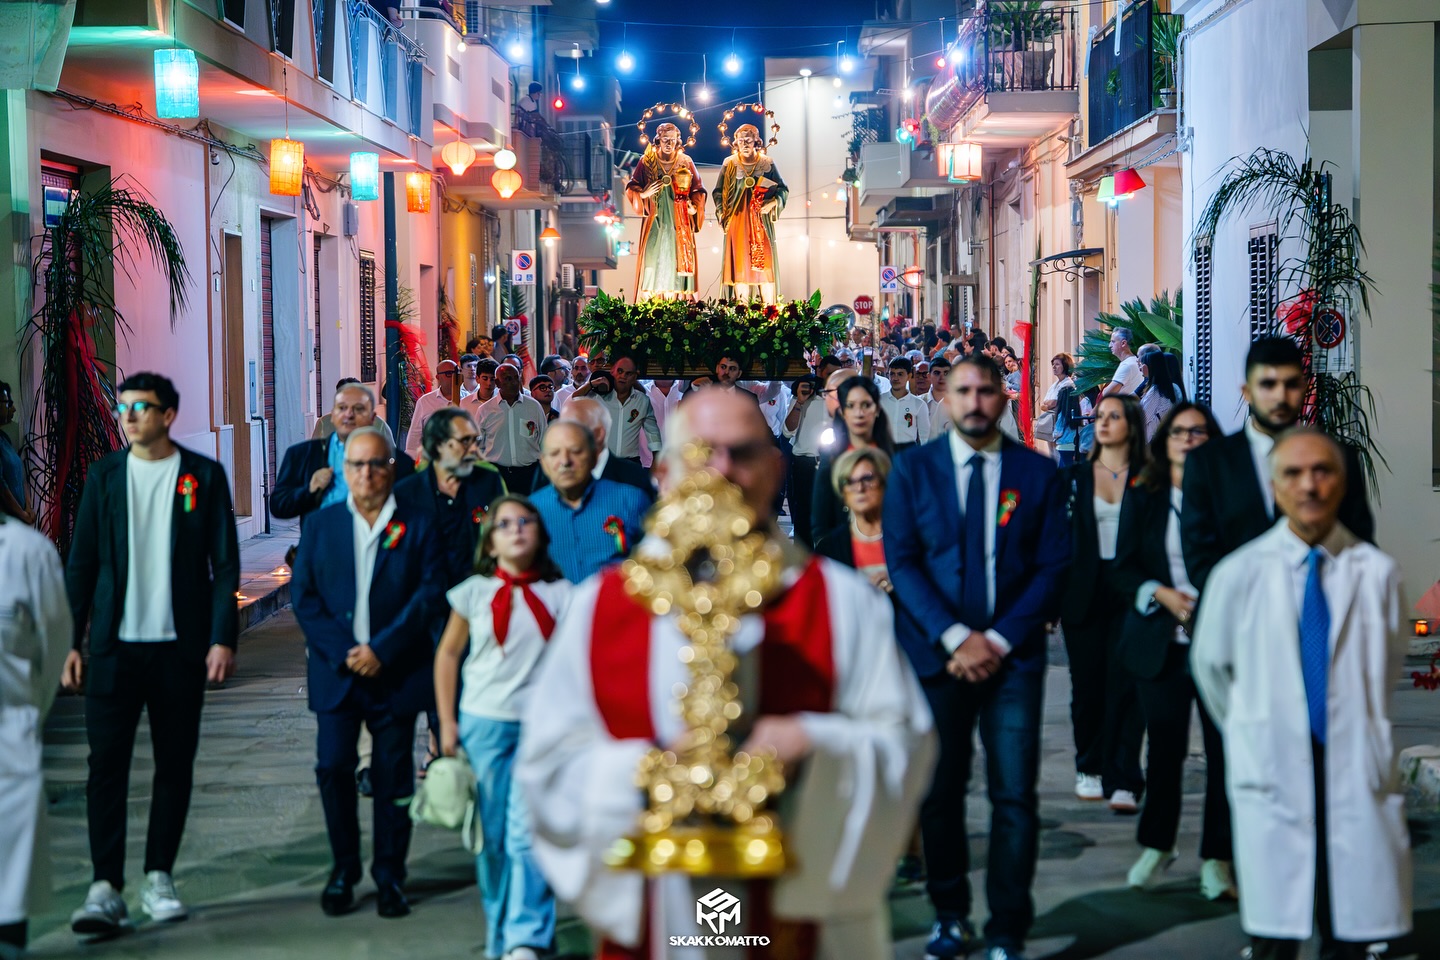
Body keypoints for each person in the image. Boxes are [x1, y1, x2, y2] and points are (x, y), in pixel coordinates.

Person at [516, 388, 935, 957]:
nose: (721, 471)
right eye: (700, 452)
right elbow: (546, 760)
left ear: (775, 468)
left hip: (803, 915)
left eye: (741, 453)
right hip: (659, 911)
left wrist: (811, 744)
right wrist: (646, 775)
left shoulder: (839, 602)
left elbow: (907, 744)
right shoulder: (604, 608)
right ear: (662, 473)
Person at [1191, 428, 1412, 960]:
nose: (1309, 485)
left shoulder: (1377, 574)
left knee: (1352, 925)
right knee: (1276, 930)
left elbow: (1386, 666)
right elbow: (1212, 670)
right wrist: (1254, 728)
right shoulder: (1237, 574)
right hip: (1271, 762)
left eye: (1323, 471)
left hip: (1353, 761)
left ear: (1342, 484)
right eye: (1293, 473)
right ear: (1273, 487)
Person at [883, 355, 1070, 960]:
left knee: (1014, 794)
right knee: (940, 791)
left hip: (1012, 659)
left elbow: (1052, 566)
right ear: (947, 395)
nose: (975, 401)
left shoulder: (1036, 475)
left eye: (986, 390)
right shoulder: (913, 471)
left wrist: (998, 639)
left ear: (1000, 396)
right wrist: (953, 636)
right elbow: (903, 562)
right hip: (938, 659)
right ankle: (949, 914)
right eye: (962, 390)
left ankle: (1008, 927)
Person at [63, 372, 240, 935]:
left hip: (178, 650)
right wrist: (70, 640)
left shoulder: (203, 477)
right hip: (114, 649)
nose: (129, 416)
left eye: (142, 407)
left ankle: (159, 875)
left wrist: (221, 637)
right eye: (124, 407)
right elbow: (83, 563)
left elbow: (224, 565)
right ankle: (104, 888)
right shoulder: (105, 476)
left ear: (167, 415)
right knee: (105, 768)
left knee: (174, 763)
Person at [291, 426, 444, 920]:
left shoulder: (420, 523)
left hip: (396, 672)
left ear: (392, 468)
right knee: (334, 769)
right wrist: (346, 652)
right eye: (357, 465)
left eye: (376, 463)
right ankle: (343, 870)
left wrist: (382, 648)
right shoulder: (323, 525)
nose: (367, 473)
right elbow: (305, 598)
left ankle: (390, 876)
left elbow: (429, 592)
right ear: (345, 470)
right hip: (338, 674)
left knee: (394, 776)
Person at [1110, 402, 1236, 899]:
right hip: (1159, 642)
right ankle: (1158, 844)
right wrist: (1160, 594)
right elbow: (1123, 567)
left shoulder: (1231, 499)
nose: (1188, 439)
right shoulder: (1145, 493)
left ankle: (1217, 858)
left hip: (1219, 641)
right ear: (1164, 441)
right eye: (1179, 432)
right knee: (1163, 750)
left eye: (1199, 432)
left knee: (1224, 755)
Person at [435, 495, 569, 960]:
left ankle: (526, 937)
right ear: (489, 543)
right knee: (492, 838)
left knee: (527, 835)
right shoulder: (472, 592)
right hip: (484, 723)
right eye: (504, 524)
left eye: (525, 522)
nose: (515, 530)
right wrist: (446, 723)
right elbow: (448, 655)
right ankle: (501, 932)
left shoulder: (562, 595)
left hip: (542, 730)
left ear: (539, 533)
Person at [1182, 335, 1374, 596]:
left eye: (1291, 384)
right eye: (1268, 385)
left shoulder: (1338, 456)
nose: (1280, 397)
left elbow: (1359, 541)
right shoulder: (1208, 462)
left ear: (1306, 388)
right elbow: (1199, 559)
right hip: (1239, 614)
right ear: (1247, 392)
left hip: (1322, 609)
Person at [1059, 393, 1148, 812]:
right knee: (1088, 686)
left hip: (1132, 594)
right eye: (1100, 416)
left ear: (1132, 424)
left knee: (1128, 687)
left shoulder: (1149, 478)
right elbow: (1059, 542)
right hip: (1084, 594)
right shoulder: (1075, 476)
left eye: (1115, 416)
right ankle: (1089, 766)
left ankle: (1125, 775)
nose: (1104, 422)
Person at [0, 514, 73, 956]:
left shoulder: (28, 555)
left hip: (9, 748)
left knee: (7, 905)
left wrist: (24, 716)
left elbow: (54, 649)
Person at [393, 408, 507, 588]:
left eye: (475, 440)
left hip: (478, 592)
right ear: (438, 445)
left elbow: (502, 537)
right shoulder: (407, 492)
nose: (473, 449)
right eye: (465, 441)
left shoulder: (488, 481)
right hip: (426, 597)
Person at [276, 383, 414, 528]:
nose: (349, 415)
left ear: (371, 417)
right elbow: (282, 505)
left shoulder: (396, 457)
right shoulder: (306, 451)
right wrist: (310, 489)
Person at [529, 420, 650, 583]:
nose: (565, 461)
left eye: (576, 451)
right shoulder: (532, 510)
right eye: (554, 453)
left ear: (594, 457)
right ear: (543, 463)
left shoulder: (632, 500)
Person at [626, 122, 707, 300]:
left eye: (673, 140)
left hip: (679, 220)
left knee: (675, 259)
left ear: (678, 141)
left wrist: (693, 207)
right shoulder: (647, 161)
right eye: (665, 139)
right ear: (658, 140)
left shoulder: (686, 161)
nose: (669, 143)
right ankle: (652, 303)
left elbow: (698, 190)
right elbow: (632, 186)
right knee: (652, 258)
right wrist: (644, 193)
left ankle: (675, 302)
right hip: (655, 220)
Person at [810, 375, 894, 548]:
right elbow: (821, 520)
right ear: (843, 412)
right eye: (851, 406)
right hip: (845, 553)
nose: (859, 413)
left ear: (877, 408)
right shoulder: (832, 456)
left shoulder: (896, 457)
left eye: (866, 405)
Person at [715, 124, 788, 304]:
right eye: (741, 140)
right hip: (738, 221)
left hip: (760, 221)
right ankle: (742, 308)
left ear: (756, 141)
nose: (745, 144)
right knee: (740, 265)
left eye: (748, 140)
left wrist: (772, 202)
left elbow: (782, 189)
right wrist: (723, 213)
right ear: (736, 142)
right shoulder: (729, 163)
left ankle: (770, 309)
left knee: (765, 265)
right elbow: (718, 193)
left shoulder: (767, 163)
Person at [545, 396, 655, 503]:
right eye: (563, 427)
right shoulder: (545, 473)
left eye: (574, 428)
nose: (564, 435)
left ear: (598, 434)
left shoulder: (635, 479)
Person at [815, 447, 893, 595]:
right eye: (849, 482)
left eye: (868, 478)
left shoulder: (909, 539)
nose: (859, 488)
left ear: (884, 483)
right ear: (842, 493)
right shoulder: (830, 548)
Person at [475, 363, 547, 493]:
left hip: (529, 474)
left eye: (516, 377)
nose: (514, 382)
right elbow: (478, 446)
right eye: (508, 379)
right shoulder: (485, 410)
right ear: (497, 382)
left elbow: (544, 440)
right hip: (498, 473)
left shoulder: (533, 407)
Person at [782, 373, 826, 547]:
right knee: (802, 513)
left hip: (828, 461)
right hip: (804, 462)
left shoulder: (837, 399)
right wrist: (800, 401)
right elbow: (787, 431)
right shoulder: (800, 399)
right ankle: (803, 556)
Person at [596, 356, 661, 464]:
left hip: (631, 462)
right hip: (603, 462)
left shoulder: (642, 401)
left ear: (635, 377)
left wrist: (656, 461)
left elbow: (652, 432)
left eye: (628, 373)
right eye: (620, 371)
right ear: (612, 371)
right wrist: (591, 384)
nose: (623, 376)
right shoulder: (599, 397)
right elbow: (575, 400)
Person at [406, 359, 464, 461]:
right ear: (438, 377)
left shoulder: (468, 400)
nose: (454, 377)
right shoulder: (425, 401)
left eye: (457, 373)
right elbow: (415, 435)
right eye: (448, 374)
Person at [0, 381, 34, 524]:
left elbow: (21, 475)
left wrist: (28, 507)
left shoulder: (4, 438)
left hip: (17, 522)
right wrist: (22, 514)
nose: (12, 409)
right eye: (8, 403)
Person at [880, 357, 930, 452]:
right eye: (892, 374)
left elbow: (924, 436)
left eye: (900, 374)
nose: (895, 378)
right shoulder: (879, 400)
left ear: (909, 376)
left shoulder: (918, 404)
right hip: (884, 452)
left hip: (908, 454)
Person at [1137, 349, 1183, 441]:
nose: (1140, 367)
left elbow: (1142, 418)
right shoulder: (1170, 388)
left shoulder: (1156, 391)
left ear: (1149, 366)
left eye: (1142, 364)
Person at [1100, 327, 1143, 398]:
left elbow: (1107, 393)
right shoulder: (1134, 361)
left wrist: (1105, 390)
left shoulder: (1127, 365)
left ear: (1123, 343)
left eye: (1113, 342)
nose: (1109, 345)